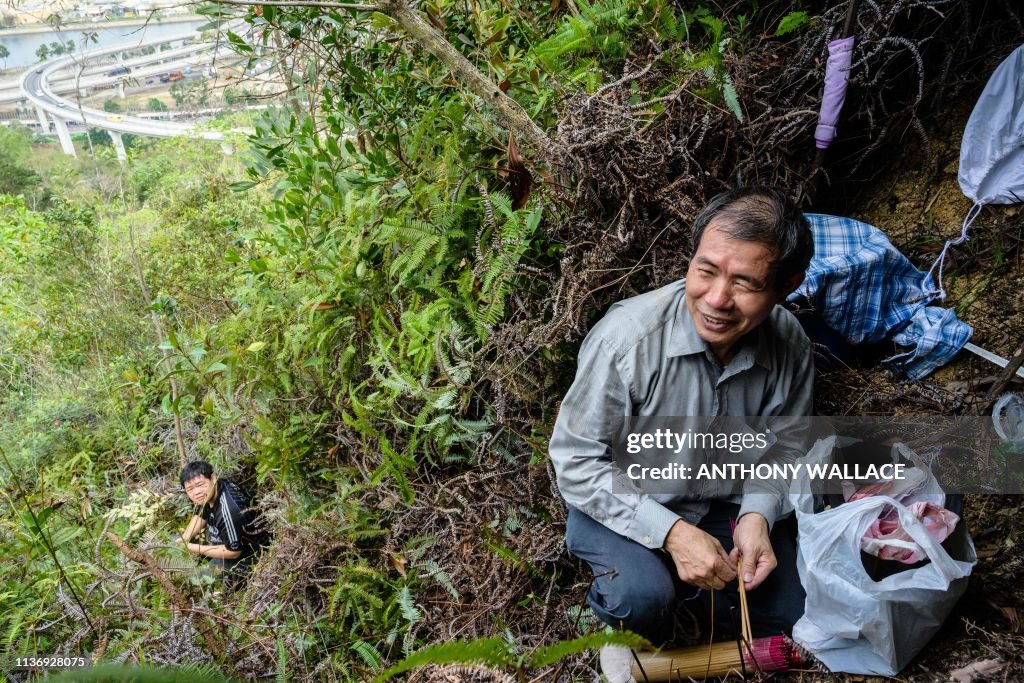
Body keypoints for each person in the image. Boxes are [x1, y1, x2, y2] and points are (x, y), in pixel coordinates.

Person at [549, 187, 815, 681]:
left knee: (799, 610)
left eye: (745, 283)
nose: (717, 299)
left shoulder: (790, 345)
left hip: (718, 507)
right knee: (641, 600)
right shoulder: (628, 339)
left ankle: (697, 595)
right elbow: (576, 460)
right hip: (619, 502)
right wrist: (671, 534)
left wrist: (757, 515)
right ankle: (636, 612)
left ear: (787, 286)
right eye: (706, 270)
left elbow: (787, 445)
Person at [179, 460, 270, 587]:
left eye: (200, 484)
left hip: (251, 556)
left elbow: (234, 552)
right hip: (225, 541)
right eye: (190, 489)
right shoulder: (213, 490)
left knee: (195, 580)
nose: (196, 492)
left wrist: (194, 548)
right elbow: (201, 514)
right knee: (176, 542)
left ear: (213, 478)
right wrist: (185, 539)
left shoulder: (229, 510)